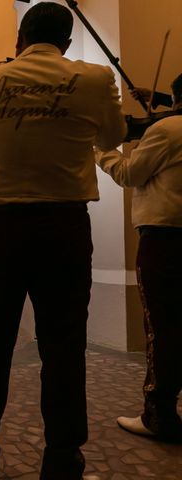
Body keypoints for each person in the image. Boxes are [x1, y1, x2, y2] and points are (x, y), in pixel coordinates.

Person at [0, 3, 126, 479]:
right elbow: (113, 134)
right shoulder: (94, 79)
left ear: (20, 37)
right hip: (65, 228)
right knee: (65, 345)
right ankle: (64, 455)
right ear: (66, 42)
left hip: (2, 230)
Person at [96, 73, 182, 443]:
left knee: (163, 327)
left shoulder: (168, 131)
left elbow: (130, 174)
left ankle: (159, 415)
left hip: (167, 237)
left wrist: (104, 152)